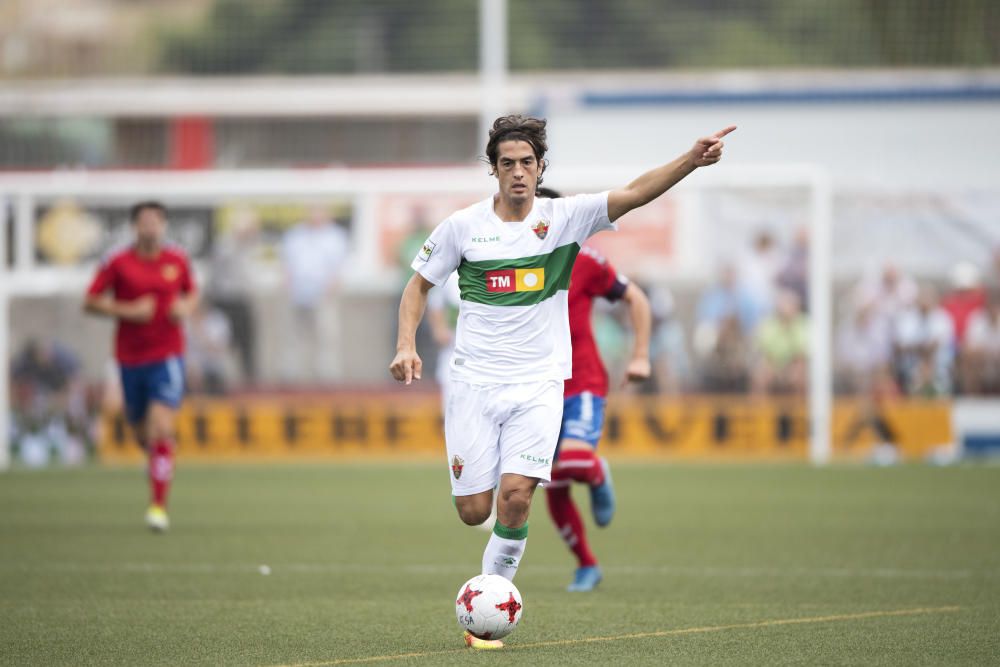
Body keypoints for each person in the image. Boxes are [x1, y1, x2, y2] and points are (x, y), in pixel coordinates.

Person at [389, 114, 734, 649]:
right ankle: (489, 589)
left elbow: (636, 192)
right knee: (473, 510)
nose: (519, 173)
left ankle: (490, 610)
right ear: (494, 170)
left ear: (541, 166)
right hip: (474, 386)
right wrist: (406, 344)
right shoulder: (462, 227)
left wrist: (690, 159)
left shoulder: (566, 218)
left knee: (518, 497)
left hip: (539, 385)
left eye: (528, 163)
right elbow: (417, 287)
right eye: (508, 164)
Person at [536, 187, 652, 592]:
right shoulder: (508, 263)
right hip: (535, 389)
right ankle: (586, 564)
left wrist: (640, 355)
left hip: (581, 382)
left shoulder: (584, 261)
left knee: (572, 465)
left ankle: (598, 471)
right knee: (549, 481)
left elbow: (635, 298)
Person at [84, 201, 197, 532]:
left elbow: (192, 294)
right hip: (130, 358)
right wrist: (128, 310)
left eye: (156, 222)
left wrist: (184, 308)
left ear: (163, 226)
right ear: (135, 226)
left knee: (162, 425)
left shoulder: (177, 260)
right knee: (140, 430)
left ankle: (158, 507)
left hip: (168, 355)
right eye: (144, 222)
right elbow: (90, 301)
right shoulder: (117, 262)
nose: (150, 227)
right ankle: (157, 459)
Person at [281, 205, 350, 383]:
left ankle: (327, 372)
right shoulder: (296, 234)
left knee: (327, 334)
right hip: (298, 291)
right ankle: (292, 371)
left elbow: (339, 266)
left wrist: (331, 288)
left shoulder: (335, 236)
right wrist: (288, 286)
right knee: (294, 334)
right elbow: (287, 264)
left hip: (324, 293)